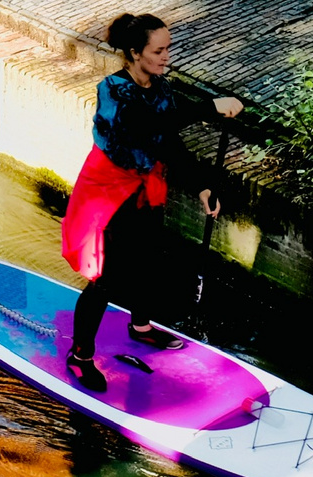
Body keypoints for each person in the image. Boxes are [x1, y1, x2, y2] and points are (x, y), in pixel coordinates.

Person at [60, 12, 243, 392]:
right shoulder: (112, 91)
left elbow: (170, 144)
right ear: (133, 52)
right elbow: (147, 126)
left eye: (167, 49)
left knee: (148, 259)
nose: (166, 57)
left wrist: (202, 186)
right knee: (105, 279)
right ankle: (80, 357)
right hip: (110, 192)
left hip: (148, 187)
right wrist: (209, 107)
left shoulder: (161, 88)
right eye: (158, 51)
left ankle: (140, 326)